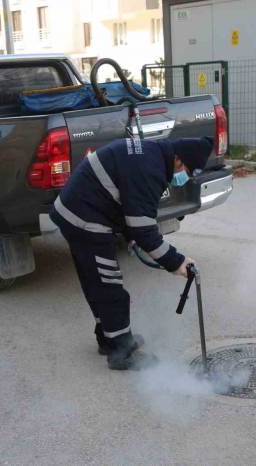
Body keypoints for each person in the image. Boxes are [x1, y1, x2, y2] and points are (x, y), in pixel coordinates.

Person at [49, 135, 215, 370]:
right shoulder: (151, 169)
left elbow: (130, 205)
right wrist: (176, 262)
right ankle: (121, 351)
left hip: (77, 210)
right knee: (109, 284)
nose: (183, 178)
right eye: (186, 171)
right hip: (84, 218)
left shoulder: (152, 156)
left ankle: (109, 338)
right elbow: (144, 228)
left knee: (96, 281)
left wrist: (132, 237)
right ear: (178, 159)